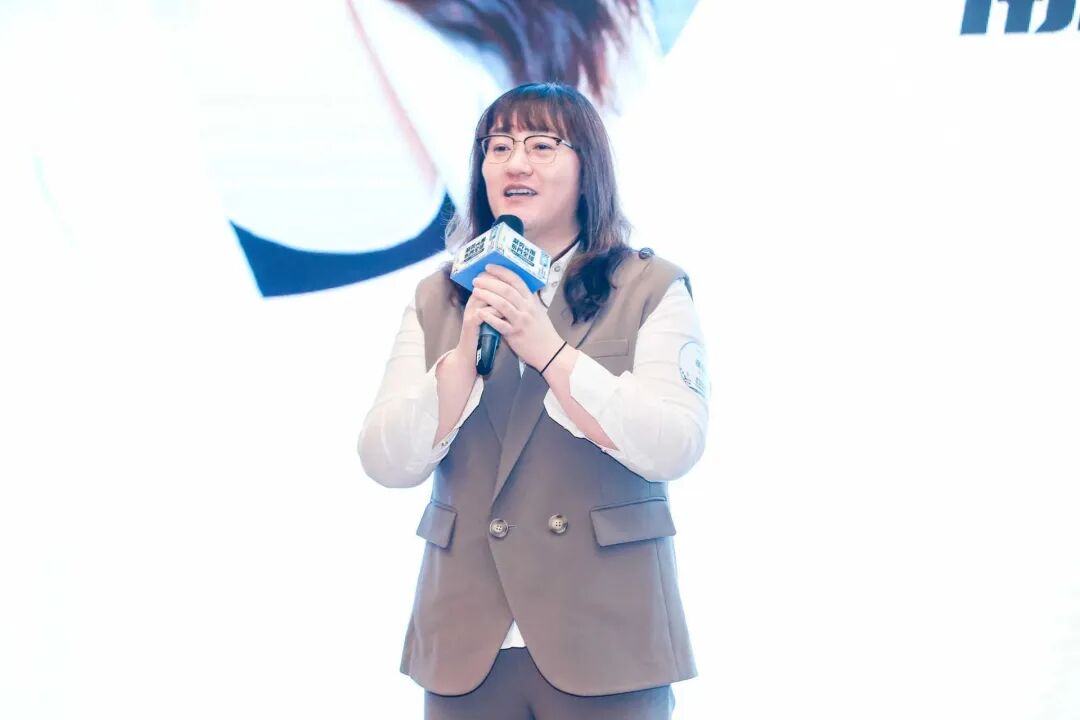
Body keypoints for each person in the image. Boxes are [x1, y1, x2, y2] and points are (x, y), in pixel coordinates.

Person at [358, 82, 708, 719]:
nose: (515, 163)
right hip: (465, 641)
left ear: (587, 168)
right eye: (498, 147)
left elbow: (674, 445)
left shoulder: (650, 285)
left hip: (608, 634)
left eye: (541, 145)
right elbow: (384, 460)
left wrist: (549, 351)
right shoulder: (440, 296)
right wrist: (460, 365)